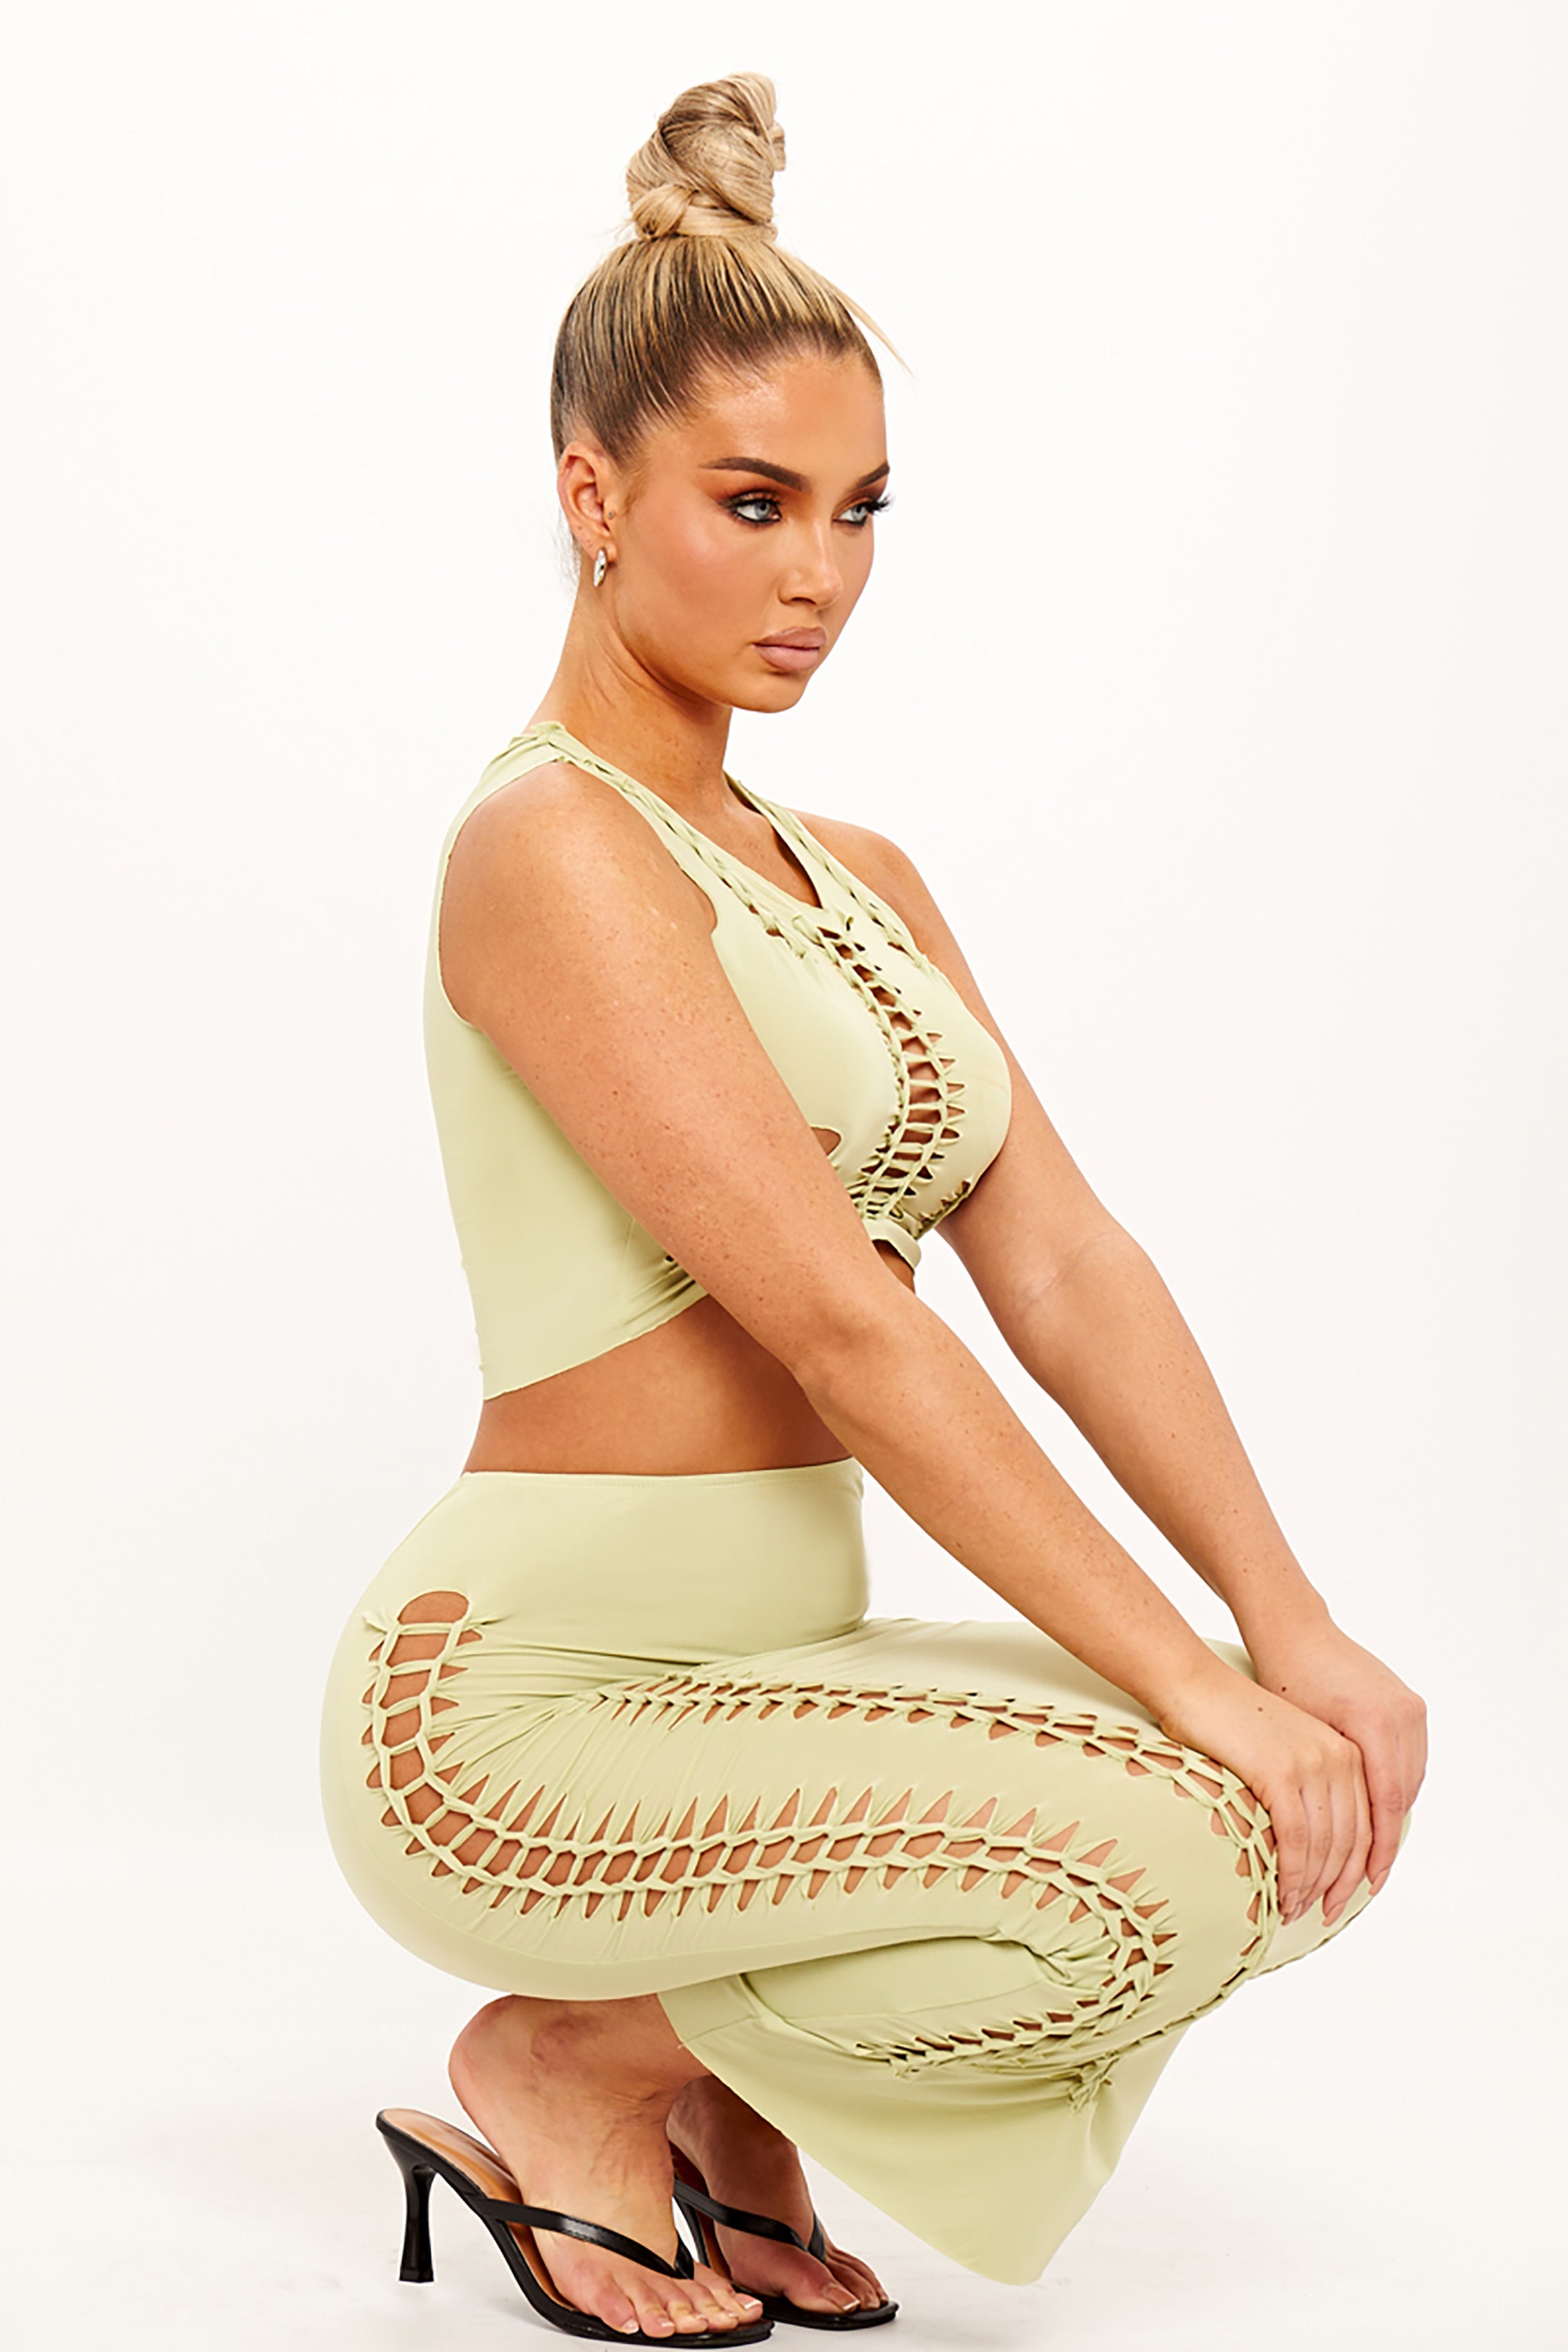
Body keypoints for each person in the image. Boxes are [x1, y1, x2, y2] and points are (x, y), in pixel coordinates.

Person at [319, 68, 1426, 2347]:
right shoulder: (547, 846)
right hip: (519, 1711)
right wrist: (1176, 1680)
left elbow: (1066, 1265)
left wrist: (1281, 1623)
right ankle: (578, 2059)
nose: (816, 572)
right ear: (590, 494)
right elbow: (846, 1327)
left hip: (775, 1679)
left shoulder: (863, 877)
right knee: (1195, 1832)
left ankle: (706, 2087)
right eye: (750, 502)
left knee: (1303, 1800)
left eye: (856, 509)